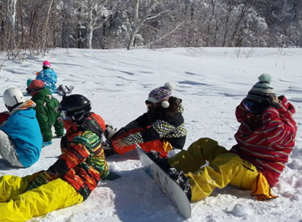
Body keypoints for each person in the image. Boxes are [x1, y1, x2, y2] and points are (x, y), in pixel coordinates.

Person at [0, 94, 110, 222]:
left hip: (77, 185)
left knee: (32, 200)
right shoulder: (76, 131)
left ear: (77, 116)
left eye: (65, 115)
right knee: (15, 184)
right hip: (67, 175)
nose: (62, 119)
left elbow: (62, 165)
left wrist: (40, 181)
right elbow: (96, 162)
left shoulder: (86, 138)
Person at [152, 74, 297, 202]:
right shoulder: (255, 117)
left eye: (253, 106)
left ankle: (191, 188)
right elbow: (240, 114)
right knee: (204, 144)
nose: (249, 110)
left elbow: (275, 134)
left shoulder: (287, 124)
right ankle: (171, 166)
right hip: (240, 163)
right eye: (249, 105)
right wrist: (252, 103)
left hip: (259, 176)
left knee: (230, 162)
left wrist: (271, 110)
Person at [106, 82, 186, 158]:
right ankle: (114, 140)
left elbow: (149, 135)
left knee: (142, 139)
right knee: (138, 130)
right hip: (161, 137)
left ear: (163, 103)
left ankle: (111, 148)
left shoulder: (171, 116)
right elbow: (141, 121)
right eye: (147, 103)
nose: (148, 106)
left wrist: (126, 140)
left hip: (170, 148)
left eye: (151, 103)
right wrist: (124, 130)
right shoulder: (159, 109)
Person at [27, 79, 64, 146]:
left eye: (29, 91)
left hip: (44, 135)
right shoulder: (55, 100)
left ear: (35, 90)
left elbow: (43, 122)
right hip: (51, 126)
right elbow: (59, 118)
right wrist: (60, 132)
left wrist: (46, 139)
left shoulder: (37, 104)